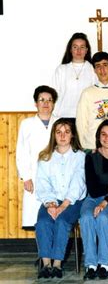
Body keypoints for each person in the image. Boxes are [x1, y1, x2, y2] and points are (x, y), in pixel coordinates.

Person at [35, 118, 86, 278]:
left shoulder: (80, 156)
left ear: (72, 135)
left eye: (67, 132)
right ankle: (46, 264)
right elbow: (43, 183)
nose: (63, 136)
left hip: (72, 201)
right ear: (54, 135)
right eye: (59, 132)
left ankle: (57, 264)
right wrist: (50, 204)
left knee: (63, 221)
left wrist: (63, 206)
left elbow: (78, 182)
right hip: (51, 200)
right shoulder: (45, 157)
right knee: (43, 222)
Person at [80, 120, 108, 280]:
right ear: (98, 137)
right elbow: (92, 187)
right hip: (93, 199)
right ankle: (91, 265)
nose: (107, 138)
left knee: (104, 217)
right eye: (103, 134)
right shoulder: (90, 157)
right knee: (86, 218)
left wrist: (107, 199)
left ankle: (104, 264)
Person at [16, 86, 58, 228]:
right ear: (36, 103)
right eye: (42, 100)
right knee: (36, 220)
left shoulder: (60, 123)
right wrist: (26, 176)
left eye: (49, 100)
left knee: (56, 216)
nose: (46, 103)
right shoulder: (26, 124)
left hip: (57, 175)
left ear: (53, 103)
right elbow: (21, 152)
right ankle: (42, 250)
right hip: (34, 175)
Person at [52, 32, 96, 118]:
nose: (78, 50)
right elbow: (54, 94)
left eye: (82, 47)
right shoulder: (61, 69)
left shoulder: (93, 69)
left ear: (86, 50)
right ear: (70, 49)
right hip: (63, 117)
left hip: (86, 117)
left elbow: (96, 95)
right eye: (75, 47)